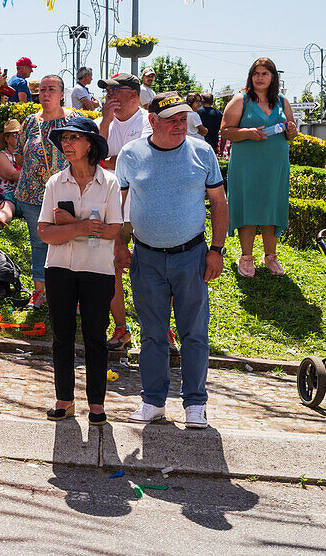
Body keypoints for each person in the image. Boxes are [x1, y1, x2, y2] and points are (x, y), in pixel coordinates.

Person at [115, 92, 228, 429]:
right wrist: (118, 247)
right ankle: (153, 401)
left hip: (191, 256)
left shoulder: (202, 152)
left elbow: (220, 204)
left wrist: (217, 250)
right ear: (152, 121)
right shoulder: (131, 154)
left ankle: (195, 403)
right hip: (145, 258)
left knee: (194, 333)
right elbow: (121, 206)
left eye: (183, 119)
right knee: (152, 334)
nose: (180, 125)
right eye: (172, 120)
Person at [38, 116, 122, 425]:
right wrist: (85, 227)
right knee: (62, 337)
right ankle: (65, 400)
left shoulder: (109, 182)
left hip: (98, 269)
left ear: (90, 145)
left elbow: (113, 229)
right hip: (59, 267)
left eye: (74, 138)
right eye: (63, 139)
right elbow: (45, 232)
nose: (66, 144)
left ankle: (97, 404)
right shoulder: (55, 182)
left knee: (95, 338)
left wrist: (69, 227)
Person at [221, 58, 295, 277]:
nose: (260, 77)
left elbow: (291, 131)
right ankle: (246, 258)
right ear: (251, 76)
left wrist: (291, 131)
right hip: (247, 165)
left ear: (273, 77)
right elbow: (225, 131)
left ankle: (270, 257)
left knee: (272, 207)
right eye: (256, 73)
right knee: (248, 207)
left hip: (275, 165)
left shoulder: (282, 101)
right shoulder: (240, 99)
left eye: (264, 73)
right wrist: (248, 133)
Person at [96, 72, 152, 351]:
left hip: (143, 209)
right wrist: (106, 121)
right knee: (110, 272)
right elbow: (94, 157)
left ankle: (161, 331)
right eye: (107, 91)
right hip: (110, 211)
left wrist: (110, 161)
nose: (109, 95)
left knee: (153, 273)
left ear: (133, 94)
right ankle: (121, 328)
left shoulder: (148, 121)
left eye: (114, 91)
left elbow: (136, 159)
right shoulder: (100, 122)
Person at [14, 74, 73, 308]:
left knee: (68, 242)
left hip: (67, 194)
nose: (46, 94)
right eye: (42, 90)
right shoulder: (30, 121)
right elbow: (19, 153)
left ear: (61, 94)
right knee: (39, 242)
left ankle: (68, 292)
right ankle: (40, 291)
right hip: (32, 194)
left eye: (51, 89)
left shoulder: (74, 119)